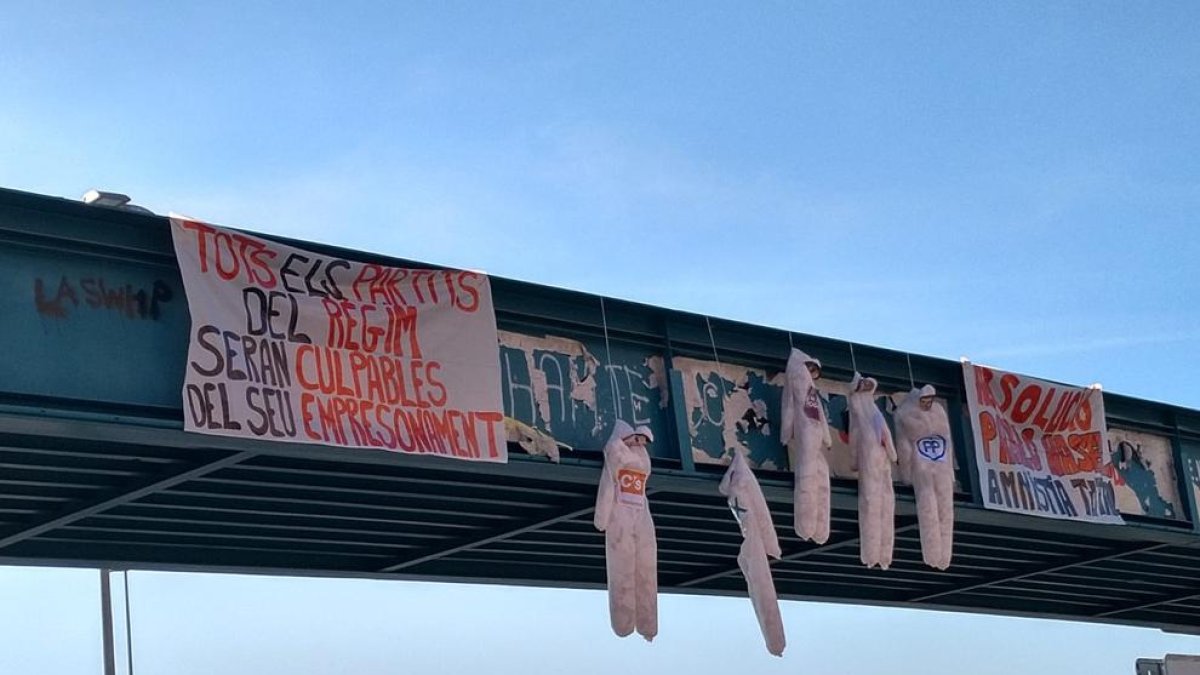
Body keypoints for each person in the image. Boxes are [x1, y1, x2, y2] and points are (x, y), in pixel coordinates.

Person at [594, 420, 658, 640]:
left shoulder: (638, 457)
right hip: (623, 513)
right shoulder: (618, 453)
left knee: (645, 567)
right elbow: (608, 485)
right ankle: (624, 622)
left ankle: (646, 624)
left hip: (639, 511)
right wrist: (602, 518)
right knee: (623, 567)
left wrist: (601, 519)